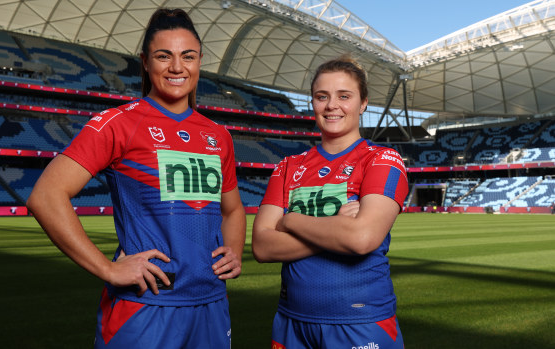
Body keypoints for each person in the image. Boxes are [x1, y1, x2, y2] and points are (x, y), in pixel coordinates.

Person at [27, 8, 246, 348]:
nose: (177, 67)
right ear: (145, 61)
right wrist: (107, 269)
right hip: (145, 307)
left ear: (200, 60)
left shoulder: (219, 135)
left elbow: (233, 210)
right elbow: (46, 195)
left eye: (187, 56)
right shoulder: (117, 123)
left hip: (211, 306)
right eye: (164, 56)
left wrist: (231, 251)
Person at [252, 55, 408, 348]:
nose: (331, 105)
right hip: (291, 323)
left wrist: (290, 221)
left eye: (344, 96)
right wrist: (336, 227)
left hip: (360, 325)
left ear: (363, 104)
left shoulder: (382, 160)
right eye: (322, 96)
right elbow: (262, 246)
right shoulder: (287, 166)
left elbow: (361, 239)